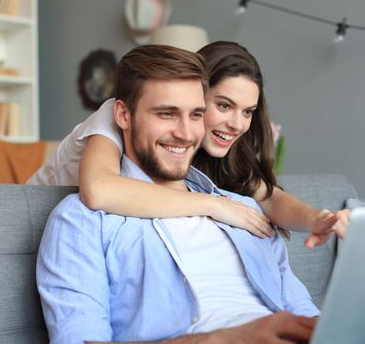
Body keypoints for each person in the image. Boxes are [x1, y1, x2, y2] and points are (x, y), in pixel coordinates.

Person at [37, 44, 319, 344]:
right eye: (167, 113)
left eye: (196, 114)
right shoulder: (83, 221)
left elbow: (304, 313)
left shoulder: (241, 209)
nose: (186, 134)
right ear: (122, 114)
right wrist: (225, 339)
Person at [28, 41, 348, 248]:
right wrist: (214, 206)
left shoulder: (198, 151)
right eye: (223, 106)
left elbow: (267, 197)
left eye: (247, 111)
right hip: (30, 212)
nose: (237, 124)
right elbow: (99, 190)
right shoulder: (116, 116)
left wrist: (317, 219)